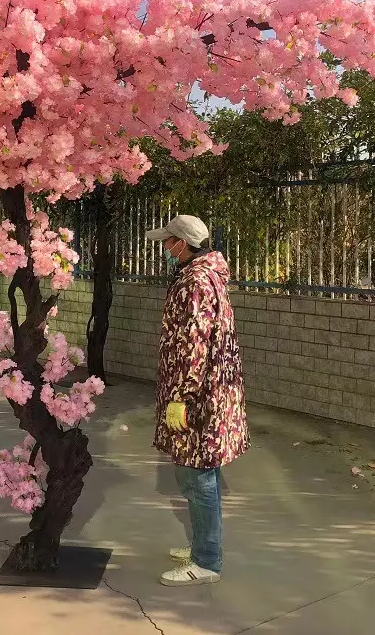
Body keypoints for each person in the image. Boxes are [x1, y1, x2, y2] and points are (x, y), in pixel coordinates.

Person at [145, 215, 249, 587]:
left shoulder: (196, 280)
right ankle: (204, 547)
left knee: (198, 475)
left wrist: (182, 397)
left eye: (169, 241)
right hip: (209, 391)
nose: (165, 247)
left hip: (199, 396)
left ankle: (206, 561)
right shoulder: (207, 273)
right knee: (198, 474)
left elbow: (195, 342)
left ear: (183, 244)